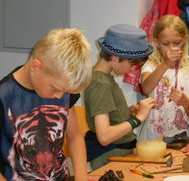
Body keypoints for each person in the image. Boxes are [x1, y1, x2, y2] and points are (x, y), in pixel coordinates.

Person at [0, 28, 92, 181]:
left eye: (64, 92)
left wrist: (81, 176)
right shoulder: (4, 97)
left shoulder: (60, 87)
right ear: (36, 67)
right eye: (56, 89)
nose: (60, 97)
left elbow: (75, 136)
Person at [83, 24, 156, 171]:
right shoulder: (100, 83)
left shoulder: (104, 79)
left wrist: (126, 112)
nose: (133, 69)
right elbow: (104, 136)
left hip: (119, 152)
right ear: (115, 58)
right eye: (132, 63)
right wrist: (138, 118)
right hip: (110, 156)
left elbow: (107, 116)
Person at [138, 15, 189, 141]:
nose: (172, 48)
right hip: (151, 139)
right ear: (157, 42)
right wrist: (165, 64)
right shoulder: (151, 66)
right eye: (165, 44)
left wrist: (186, 103)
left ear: (185, 40)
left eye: (177, 43)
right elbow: (146, 89)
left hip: (181, 140)